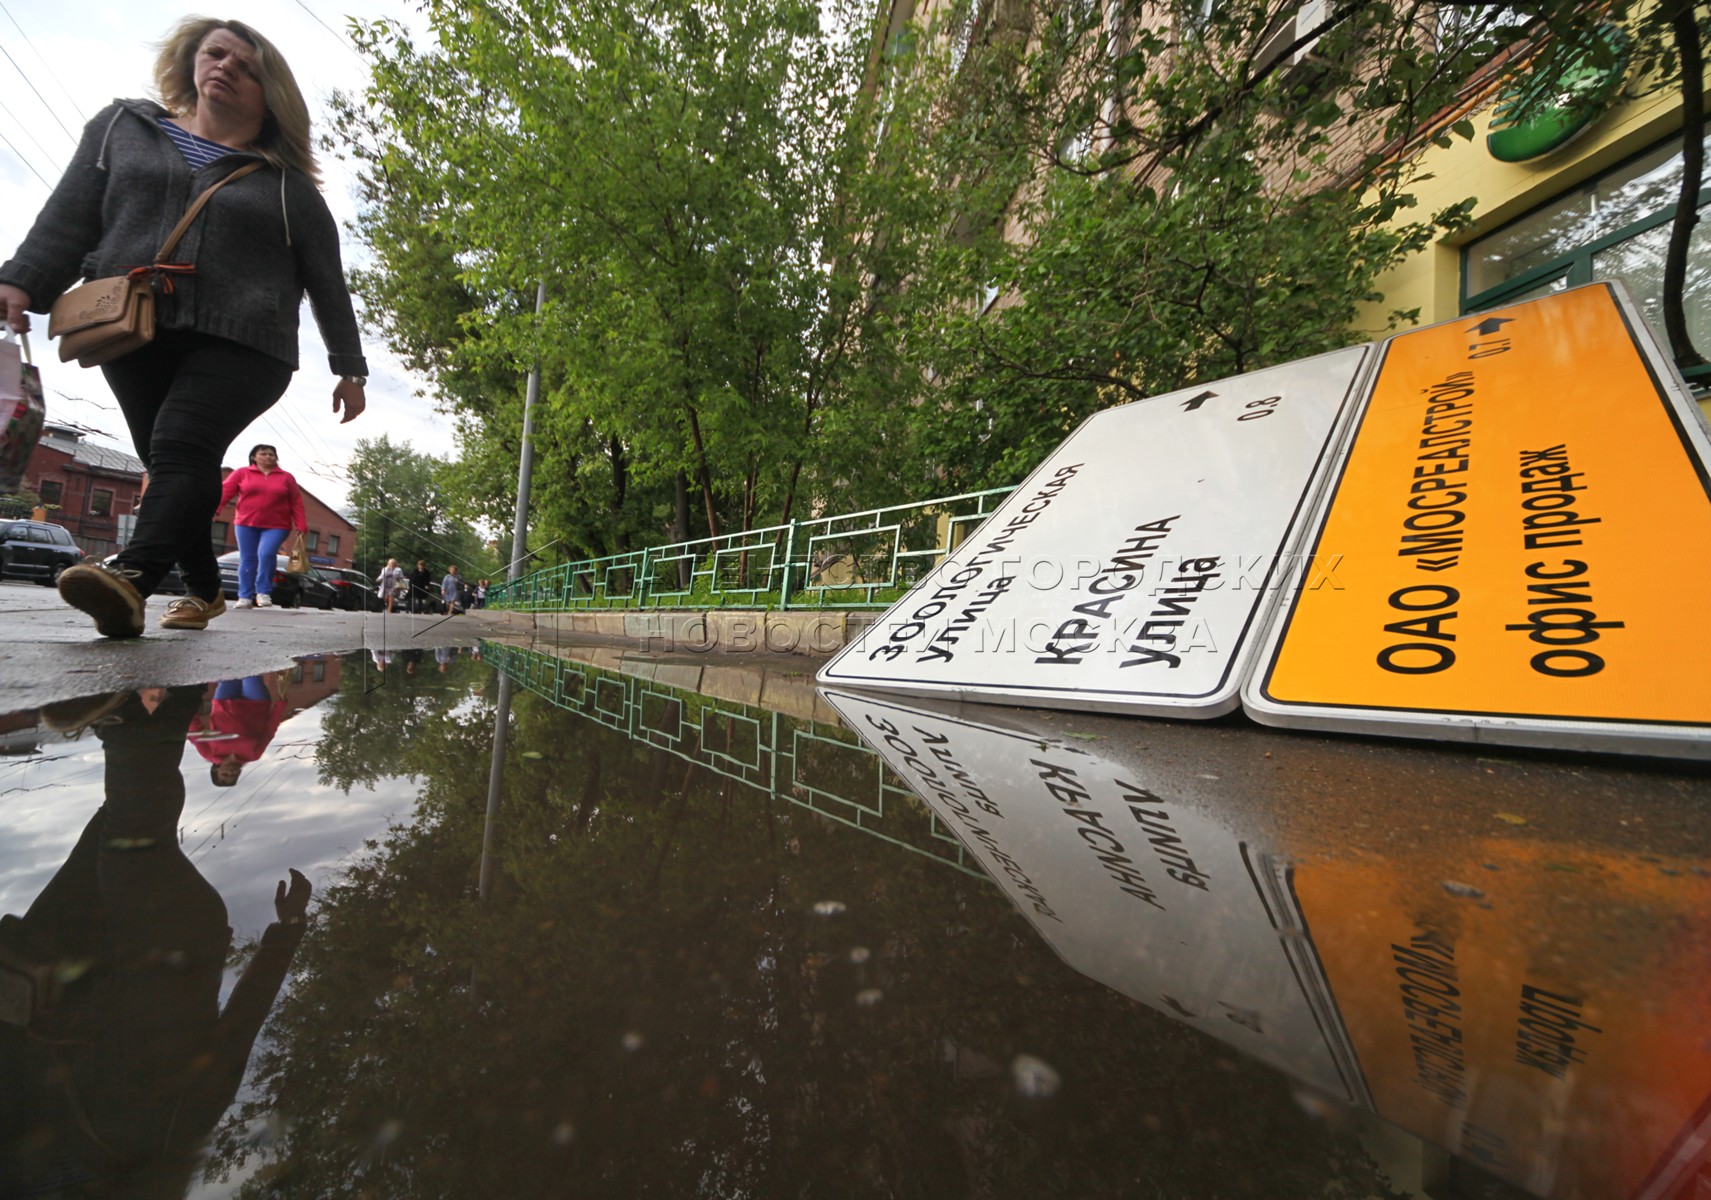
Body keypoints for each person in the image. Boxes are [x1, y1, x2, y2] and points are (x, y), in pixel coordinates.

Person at [0, 17, 367, 639]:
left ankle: (130, 578)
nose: (226, 67)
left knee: (180, 448)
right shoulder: (123, 130)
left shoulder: (289, 190)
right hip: (134, 325)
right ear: (190, 61)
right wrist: (23, 279)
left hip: (247, 340)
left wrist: (349, 367)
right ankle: (202, 588)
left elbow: (327, 281)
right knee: (173, 462)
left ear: (270, 94)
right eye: (215, 54)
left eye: (247, 67)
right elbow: (70, 216)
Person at [4, 685, 310, 1195]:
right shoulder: (162, 1140)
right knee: (128, 838)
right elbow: (237, 1032)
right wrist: (286, 933)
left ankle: (160, 711)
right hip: (170, 951)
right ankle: (136, 716)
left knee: (118, 823)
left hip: (47, 971)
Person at [218, 443, 305, 608]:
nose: (268, 457)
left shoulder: (286, 477)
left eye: (271, 454)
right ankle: (244, 596)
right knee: (248, 558)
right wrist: (215, 510)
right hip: (246, 523)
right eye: (263, 454)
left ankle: (263, 593)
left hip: (277, 525)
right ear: (254, 457)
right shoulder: (242, 473)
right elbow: (226, 492)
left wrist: (301, 524)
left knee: (266, 554)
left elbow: (296, 502)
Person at [188, 672, 290, 786]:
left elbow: (195, 734)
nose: (231, 772)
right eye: (233, 775)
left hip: (224, 702)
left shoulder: (209, 753)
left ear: (216, 770)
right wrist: (279, 707)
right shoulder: (253, 755)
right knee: (252, 673)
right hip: (256, 703)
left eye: (225, 774)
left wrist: (187, 712)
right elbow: (269, 731)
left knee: (230, 670)